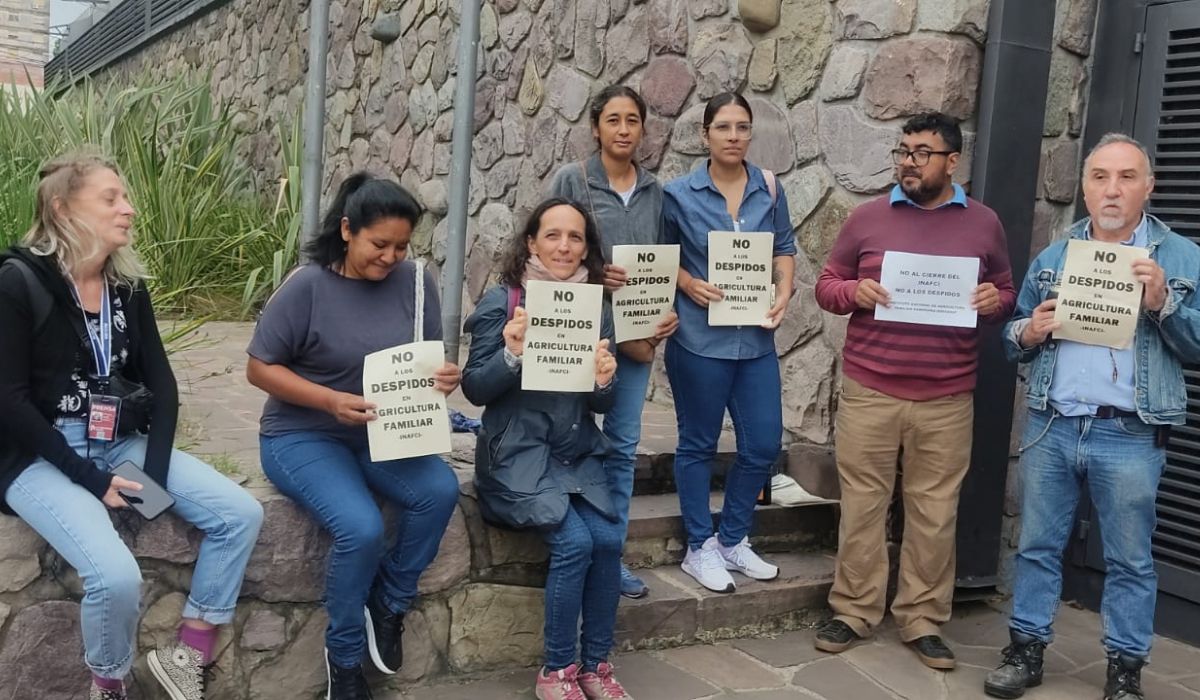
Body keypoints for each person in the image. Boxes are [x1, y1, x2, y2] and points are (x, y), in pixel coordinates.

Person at [0, 151, 264, 700]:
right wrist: (92, 481)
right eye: (111, 198)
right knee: (116, 576)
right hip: (39, 454)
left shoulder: (126, 285)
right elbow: (9, 401)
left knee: (240, 514)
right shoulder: (17, 282)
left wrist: (155, 481)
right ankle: (110, 683)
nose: (130, 208)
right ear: (61, 207)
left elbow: (162, 386)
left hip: (121, 440)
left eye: (125, 197)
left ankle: (186, 656)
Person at [983, 134, 1200, 700]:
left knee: (1130, 559)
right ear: (1084, 187)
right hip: (1054, 424)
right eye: (1100, 176)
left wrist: (1161, 304)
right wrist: (1026, 331)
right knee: (1036, 546)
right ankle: (1026, 650)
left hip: (1130, 431)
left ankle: (1125, 670)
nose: (1112, 189)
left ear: (1148, 187)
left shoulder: (1181, 258)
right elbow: (1015, 336)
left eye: (1127, 177)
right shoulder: (1057, 256)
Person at [812, 112, 1016, 670]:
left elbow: (1005, 291)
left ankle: (922, 619)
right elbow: (826, 285)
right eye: (903, 150)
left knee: (934, 511)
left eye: (922, 152)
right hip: (870, 391)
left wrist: (994, 303)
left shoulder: (984, 224)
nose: (907, 161)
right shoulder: (867, 218)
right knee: (862, 504)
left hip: (948, 398)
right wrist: (855, 291)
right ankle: (853, 610)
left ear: (953, 162)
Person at [246, 174, 461, 700]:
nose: (391, 257)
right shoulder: (307, 286)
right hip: (303, 434)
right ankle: (343, 663)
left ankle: (390, 601)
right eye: (379, 244)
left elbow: (421, 363)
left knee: (440, 491)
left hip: (384, 432)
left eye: (402, 246)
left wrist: (443, 378)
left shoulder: (416, 282)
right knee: (360, 527)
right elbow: (258, 368)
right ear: (347, 230)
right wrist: (327, 400)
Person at [462, 197, 631, 700]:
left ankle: (596, 664)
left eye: (575, 237)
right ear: (531, 242)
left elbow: (601, 399)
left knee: (607, 540)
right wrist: (511, 354)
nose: (564, 246)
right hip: (517, 457)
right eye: (553, 235)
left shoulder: (597, 307)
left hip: (574, 453)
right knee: (575, 543)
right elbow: (474, 389)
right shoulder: (506, 300)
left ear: (587, 249)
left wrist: (605, 380)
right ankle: (556, 670)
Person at [662, 92, 796, 594]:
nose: (734, 136)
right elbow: (656, 257)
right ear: (705, 134)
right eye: (723, 127)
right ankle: (700, 547)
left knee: (763, 443)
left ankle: (733, 539)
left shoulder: (770, 188)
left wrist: (784, 289)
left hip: (756, 338)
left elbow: (783, 248)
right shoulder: (678, 194)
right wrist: (686, 282)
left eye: (742, 127)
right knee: (697, 443)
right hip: (699, 340)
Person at [548, 85, 679, 600]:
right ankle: (564, 545)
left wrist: (661, 314)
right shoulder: (573, 180)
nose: (624, 130)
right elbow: (544, 246)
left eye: (632, 121)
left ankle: (611, 556)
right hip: (577, 332)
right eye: (613, 120)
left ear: (643, 129)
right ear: (596, 126)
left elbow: (662, 263)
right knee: (565, 440)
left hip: (634, 338)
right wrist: (594, 274)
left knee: (622, 447)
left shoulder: (655, 191)